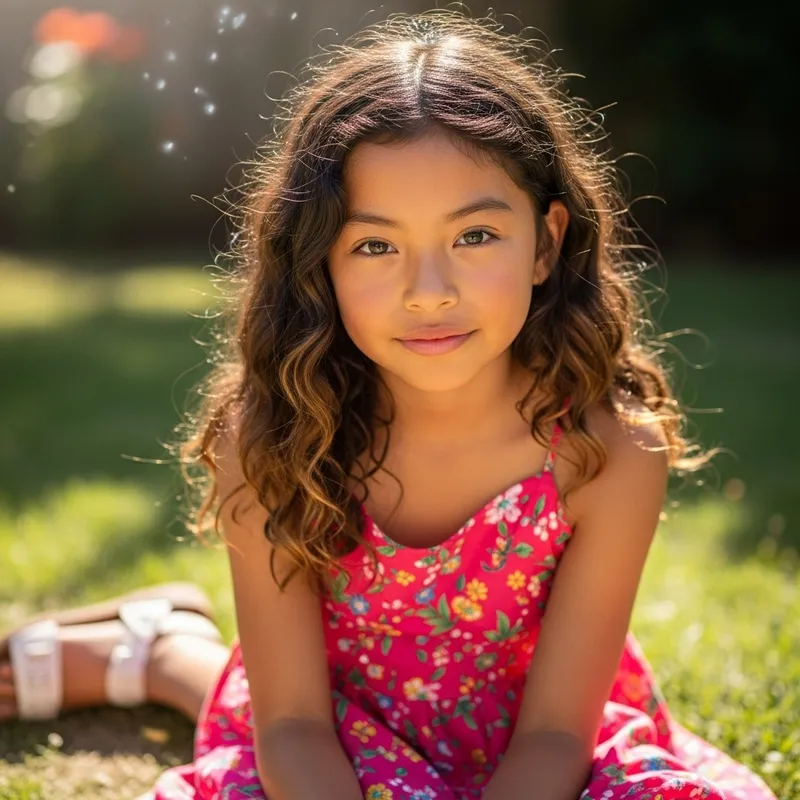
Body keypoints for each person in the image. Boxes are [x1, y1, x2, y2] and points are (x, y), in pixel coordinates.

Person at [0, 10, 777, 800]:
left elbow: (553, 737)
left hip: (538, 752)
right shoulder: (272, 437)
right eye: (375, 245)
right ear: (319, 262)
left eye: (475, 236)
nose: (429, 293)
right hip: (329, 731)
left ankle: (165, 645)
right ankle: (169, 653)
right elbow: (292, 723)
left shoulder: (608, 452)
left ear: (544, 244)